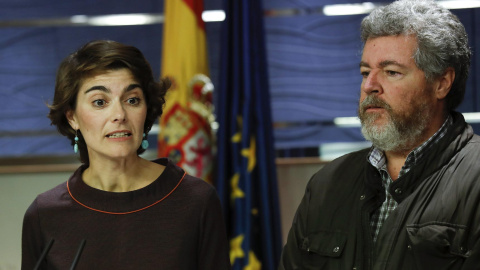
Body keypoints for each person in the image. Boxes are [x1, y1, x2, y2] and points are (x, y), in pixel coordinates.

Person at [280, 0, 480, 269]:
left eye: (391, 72)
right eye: (365, 72)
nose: (369, 86)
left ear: (442, 83)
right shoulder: (327, 184)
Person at [21, 40, 231, 270]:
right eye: (100, 102)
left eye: (132, 100)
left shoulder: (197, 201)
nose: (119, 114)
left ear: (146, 110)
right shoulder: (44, 215)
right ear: (72, 117)